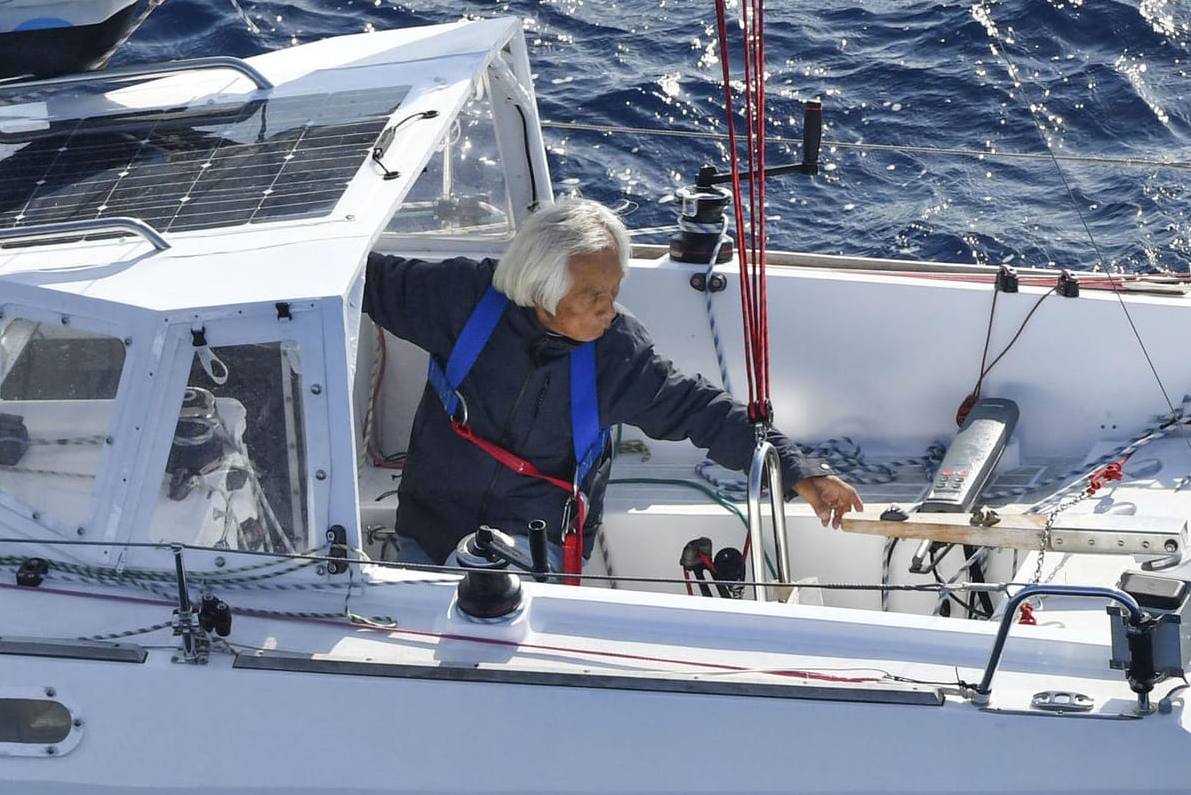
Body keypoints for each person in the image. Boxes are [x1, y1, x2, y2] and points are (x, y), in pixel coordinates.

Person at [364, 197, 864, 571]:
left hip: (536, 547)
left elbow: (703, 410)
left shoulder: (616, 353)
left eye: (615, 289)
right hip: (427, 531)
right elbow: (363, 279)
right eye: (593, 295)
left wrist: (799, 470)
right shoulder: (460, 298)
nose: (611, 308)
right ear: (541, 289)